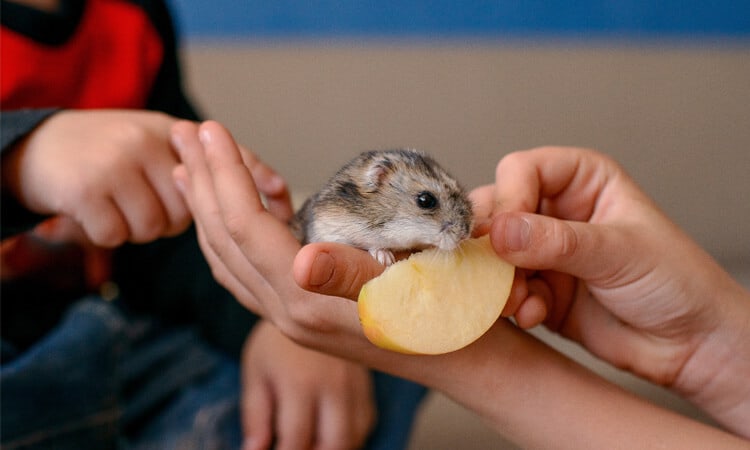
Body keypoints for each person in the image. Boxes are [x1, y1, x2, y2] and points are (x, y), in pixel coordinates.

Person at [170, 119, 750, 448]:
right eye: (429, 203)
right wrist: (713, 345)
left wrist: (459, 358)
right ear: (378, 183)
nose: (459, 221)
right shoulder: (343, 212)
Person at [0, 1, 426, 449]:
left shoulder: (132, 15)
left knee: (366, 343)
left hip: (109, 344)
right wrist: (19, 160)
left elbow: (170, 246)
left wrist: (267, 318)